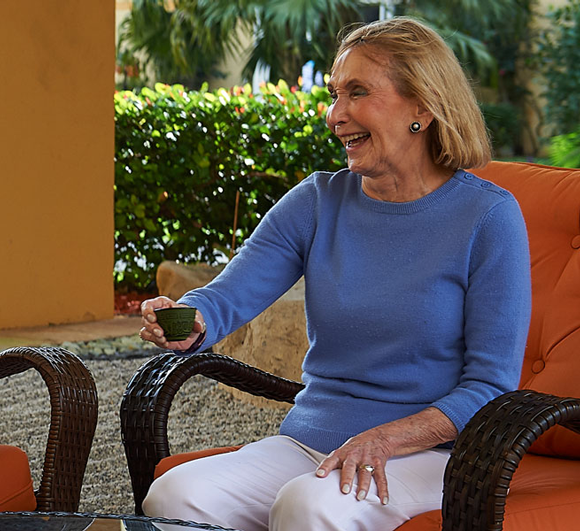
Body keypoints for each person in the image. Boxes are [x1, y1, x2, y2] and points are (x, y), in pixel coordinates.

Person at [137, 18, 531, 531]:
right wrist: (189, 317)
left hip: (435, 454)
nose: (335, 115)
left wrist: (387, 437)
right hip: (310, 438)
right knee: (175, 495)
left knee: (310, 505)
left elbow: (491, 386)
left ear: (423, 106)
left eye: (358, 92)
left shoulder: (487, 218)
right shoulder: (318, 202)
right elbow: (228, 295)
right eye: (334, 94)